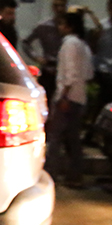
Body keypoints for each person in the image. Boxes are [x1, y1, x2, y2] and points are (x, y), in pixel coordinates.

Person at [46, 10, 93, 188]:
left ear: (69, 26)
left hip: (67, 96)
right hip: (79, 96)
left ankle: (51, 173)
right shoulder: (83, 45)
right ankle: (75, 174)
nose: (59, 27)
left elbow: (70, 73)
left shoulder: (69, 44)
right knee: (73, 138)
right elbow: (88, 73)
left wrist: (64, 96)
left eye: (62, 24)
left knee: (55, 137)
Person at [21, 0, 68, 103]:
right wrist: (36, 57)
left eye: (62, 6)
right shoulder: (44, 26)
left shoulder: (71, 27)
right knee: (45, 99)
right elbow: (26, 42)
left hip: (66, 69)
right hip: (49, 67)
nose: (59, 9)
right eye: (56, 6)